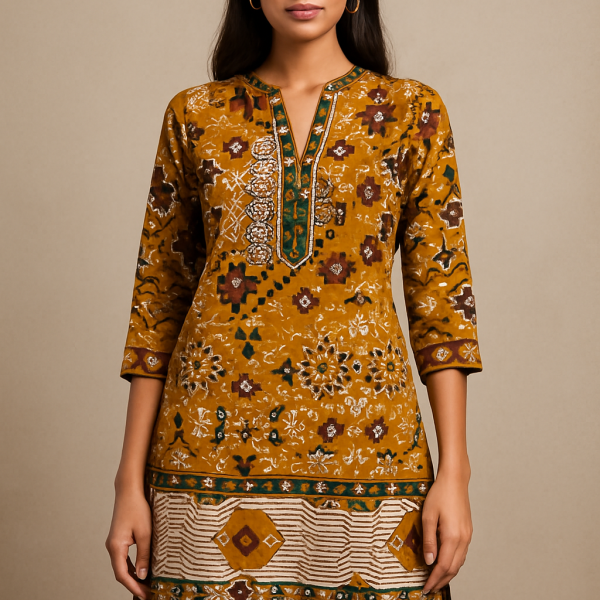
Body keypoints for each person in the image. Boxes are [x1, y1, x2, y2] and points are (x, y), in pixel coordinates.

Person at [105, 1, 483, 599]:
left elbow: (443, 303)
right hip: (204, 450)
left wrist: (455, 472)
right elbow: (158, 304)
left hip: (373, 448)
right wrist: (128, 482)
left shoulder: (411, 112)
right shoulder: (195, 114)